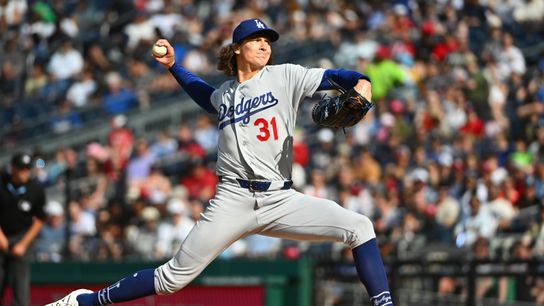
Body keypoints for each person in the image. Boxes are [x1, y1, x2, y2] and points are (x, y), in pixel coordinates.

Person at [47, 18, 394, 306]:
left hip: (281, 199)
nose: (264, 45)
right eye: (256, 40)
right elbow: (204, 95)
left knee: (359, 226)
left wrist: (361, 82)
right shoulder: (225, 93)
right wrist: (173, 67)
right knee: (172, 279)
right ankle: (84, 302)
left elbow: (338, 76)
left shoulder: (286, 75)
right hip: (232, 200)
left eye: (267, 40)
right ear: (238, 49)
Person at [1, 152, 46, 306]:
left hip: (22, 238)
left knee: (21, 287)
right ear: (13, 169)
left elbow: (40, 219)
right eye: (21, 169)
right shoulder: (2, 182)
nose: (25, 173)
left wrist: (23, 244)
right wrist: (1, 237)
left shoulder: (35, 189)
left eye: (27, 169)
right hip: (2, 236)